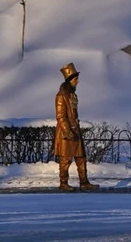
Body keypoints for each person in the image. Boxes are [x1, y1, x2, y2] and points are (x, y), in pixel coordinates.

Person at [54, 62, 100, 191]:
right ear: (69, 81)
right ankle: (63, 183)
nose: (77, 82)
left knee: (81, 158)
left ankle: (84, 182)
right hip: (66, 132)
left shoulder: (72, 95)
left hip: (75, 130)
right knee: (66, 159)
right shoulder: (61, 96)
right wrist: (67, 131)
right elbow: (60, 116)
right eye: (75, 79)